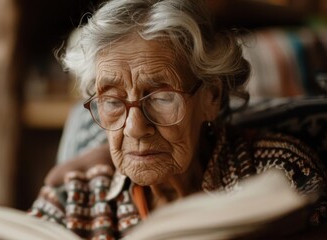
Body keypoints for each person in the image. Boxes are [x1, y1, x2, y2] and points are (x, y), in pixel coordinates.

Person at [29, 0, 327, 239]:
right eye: (112, 101)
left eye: (161, 98)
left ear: (211, 97)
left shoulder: (281, 175)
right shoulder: (75, 196)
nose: (135, 128)